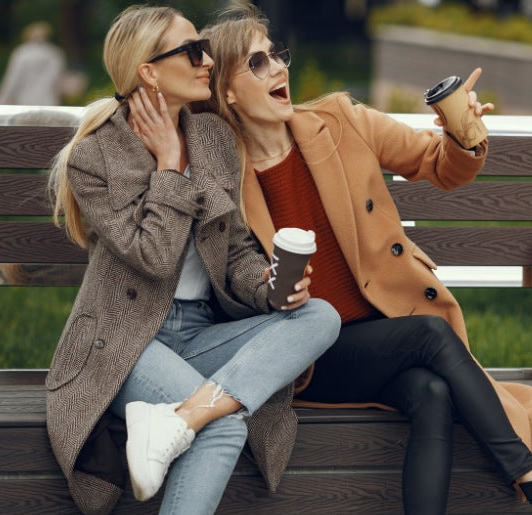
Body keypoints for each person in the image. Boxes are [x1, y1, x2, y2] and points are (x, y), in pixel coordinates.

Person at [195, 4, 532, 514]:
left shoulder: (339, 121)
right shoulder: (222, 173)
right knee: (429, 335)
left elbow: (439, 165)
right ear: (226, 90)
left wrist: (462, 130)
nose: (278, 69)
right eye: (257, 63)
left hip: (382, 331)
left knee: (432, 393)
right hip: (307, 354)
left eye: (277, 55)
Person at [45, 6, 340, 514]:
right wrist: (168, 166)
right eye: (192, 50)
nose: (207, 60)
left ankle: (176, 423)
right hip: (125, 342)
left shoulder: (214, 138)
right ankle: (191, 420)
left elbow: (237, 251)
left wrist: (269, 287)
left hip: (200, 333)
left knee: (321, 316)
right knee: (222, 424)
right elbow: (156, 259)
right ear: (149, 71)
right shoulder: (95, 157)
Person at [0, 21, 67, 105]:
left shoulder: (22, 53)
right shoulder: (55, 54)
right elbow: (58, 82)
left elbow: (13, 80)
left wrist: (0, 100)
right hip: (49, 102)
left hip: (25, 102)